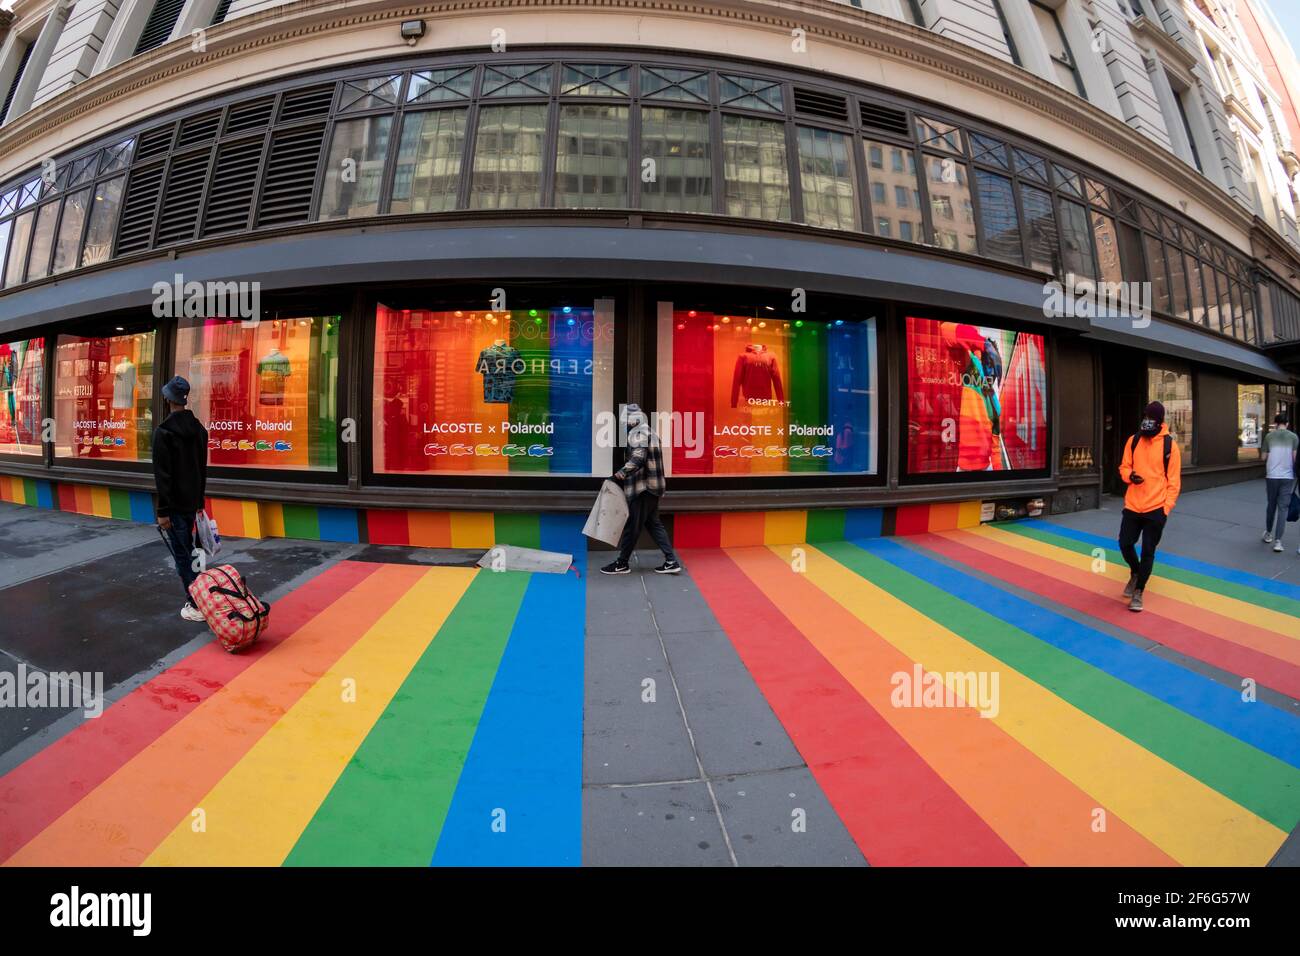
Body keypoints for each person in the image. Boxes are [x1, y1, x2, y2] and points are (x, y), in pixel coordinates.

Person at [153, 376, 210, 621]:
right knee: (194, 553)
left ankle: (196, 604)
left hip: (174, 506)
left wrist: (163, 510)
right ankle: (203, 596)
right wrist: (199, 502)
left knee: (183, 556)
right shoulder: (199, 430)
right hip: (193, 504)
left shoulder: (163, 432)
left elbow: (163, 477)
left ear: (167, 400)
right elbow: (201, 469)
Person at [1117, 401, 1182, 612]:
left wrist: (1166, 508)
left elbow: (1174, 481)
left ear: (1160, 421)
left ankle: (1139, 592)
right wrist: (1129, 476)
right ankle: (1135, 573)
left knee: (1147, 551)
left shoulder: (1169, 446)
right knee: (1125, 543)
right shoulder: (1133, 440)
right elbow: (1124, 466)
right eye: (1145, 416)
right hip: (1133, 504)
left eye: (1151, 418)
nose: (1147, 421)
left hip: (1156, 507)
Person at [601, 404, 680, 575]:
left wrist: (619, 475)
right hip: (653, 486)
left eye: (625, 422)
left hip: (643, 488)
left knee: (632, 527)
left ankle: (621, 563)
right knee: (653, 524)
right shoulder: (650, 431)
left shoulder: (638, 433)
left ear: (633, 421)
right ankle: (671, 561)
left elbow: (638, 458)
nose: (624, 425)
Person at [1262, 412, 1298, 554]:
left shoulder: (1269, 436)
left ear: (1276, 423)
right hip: (1287, 477)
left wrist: (1270, 454)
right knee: (1283, 508)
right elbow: (1295, 459)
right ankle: (1278, 542)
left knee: (1271, 505)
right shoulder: (1294, 437)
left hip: (1272, 476)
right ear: (1287, 423)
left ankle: (1268, 533)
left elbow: (1263, 457)